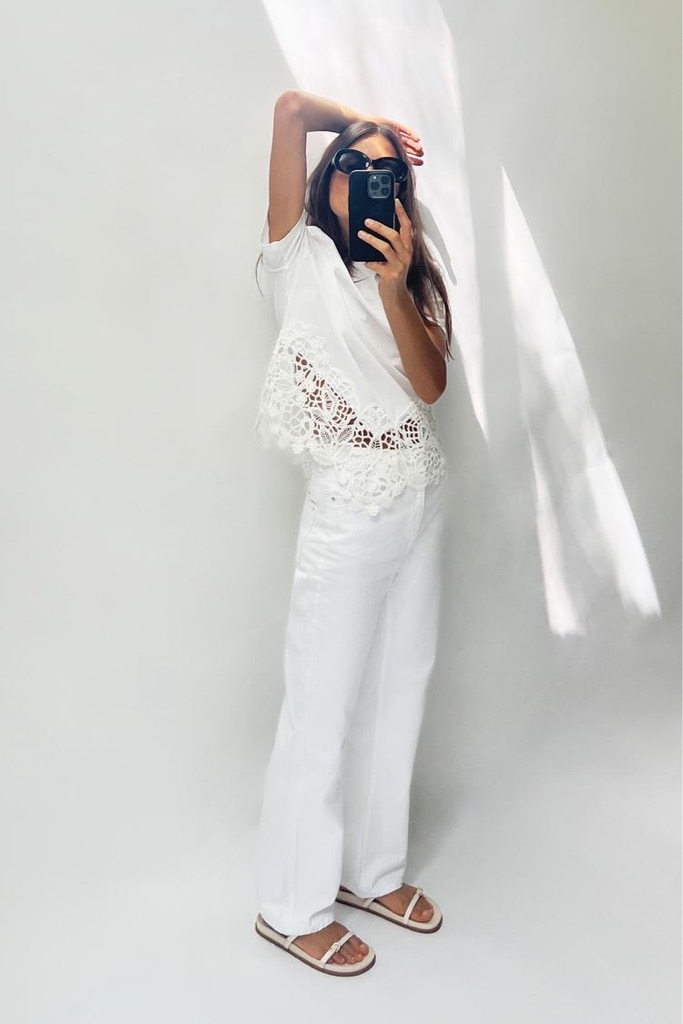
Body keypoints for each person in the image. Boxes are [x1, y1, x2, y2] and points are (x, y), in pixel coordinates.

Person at [253, 89, 454, 976]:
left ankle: (370, 874)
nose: (371, 183)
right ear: (329, 178)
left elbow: (429, 388)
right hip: (346, 508)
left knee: (397, 689)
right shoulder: (293, 257)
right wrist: (366, 124)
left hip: (420, 497)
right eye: (355, 170)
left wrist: (397, 284)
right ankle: (289, 906)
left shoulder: (412, 276)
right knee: (321, 704)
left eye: (389, 176)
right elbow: (290, 108)